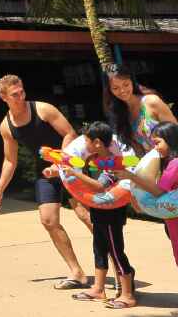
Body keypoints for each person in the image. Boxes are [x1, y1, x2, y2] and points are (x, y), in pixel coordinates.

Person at [0, 74, 91, 290]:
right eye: (15, 95)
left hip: (70, 164)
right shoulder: (6, 126)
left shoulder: (43, 109)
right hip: (44, 171)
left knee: (85, 215)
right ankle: (77, 273)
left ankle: (118, 267)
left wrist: (59, 162)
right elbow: (10, 160)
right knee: (48, 220)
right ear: (3, 97)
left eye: (22, 92)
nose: (20, 97)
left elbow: (70, 133)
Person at [115, 123, 178, 317]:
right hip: (176, 220)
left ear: (171, 140)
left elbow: (158, 190)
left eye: (158, 142)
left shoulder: (177, 162)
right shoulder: (173, 161)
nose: (155, 147)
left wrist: (130, 176)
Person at [55, 122, 137, 309]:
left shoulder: (114, 163)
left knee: (116, 251)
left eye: (87, 140)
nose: (84, 144)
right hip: (99, 210)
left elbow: (100, 186)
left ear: (98, 142)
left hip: (112, 211)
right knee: (99, 248)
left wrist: (75, 174)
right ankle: (98, 288)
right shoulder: (95, 158)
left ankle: (128, 294)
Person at [103, 64, 178, 156]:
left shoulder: (151, 102)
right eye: (115, 88)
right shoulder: (120, 115)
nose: (122, 90)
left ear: (132, 82)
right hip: (154, 165)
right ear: (110, 90)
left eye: (126, 84)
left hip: (174, 160)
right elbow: (139, 150)